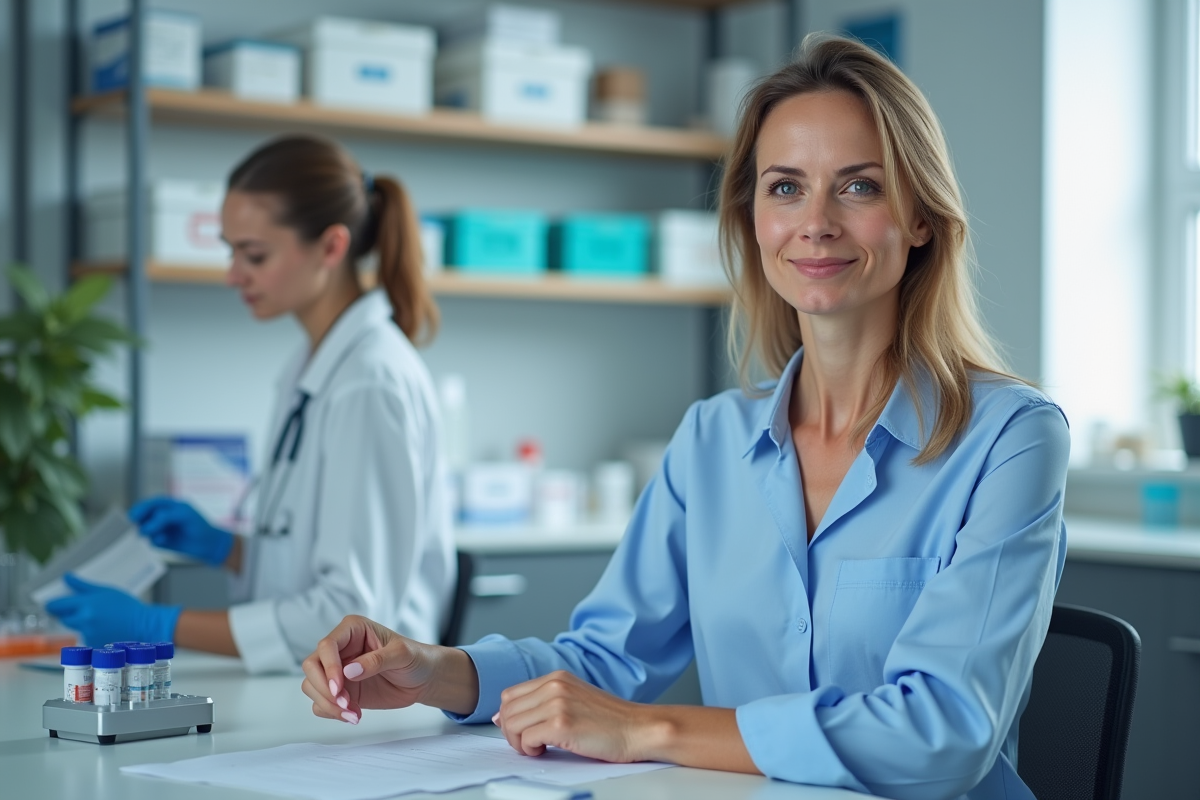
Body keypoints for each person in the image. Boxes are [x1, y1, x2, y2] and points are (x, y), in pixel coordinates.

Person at [299, 36, 1069, 799]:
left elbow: (943, 733)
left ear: (923, 217)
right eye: (786, 187)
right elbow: (604, 662)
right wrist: (433, 671)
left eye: (860, 187)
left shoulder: (1010, 437)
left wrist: (646, 730)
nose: (817, 221)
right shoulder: (713, 438)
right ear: (753, 219)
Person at [48, 135, 457, 675]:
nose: (233, 274)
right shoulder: (313, 368)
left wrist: (157, 626)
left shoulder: (368, 381)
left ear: (331, 248)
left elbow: (353, 619)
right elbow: (317, 559)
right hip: (314, 691)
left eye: (254, 254)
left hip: (373, 703)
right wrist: (229, 549)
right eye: (230, 249)